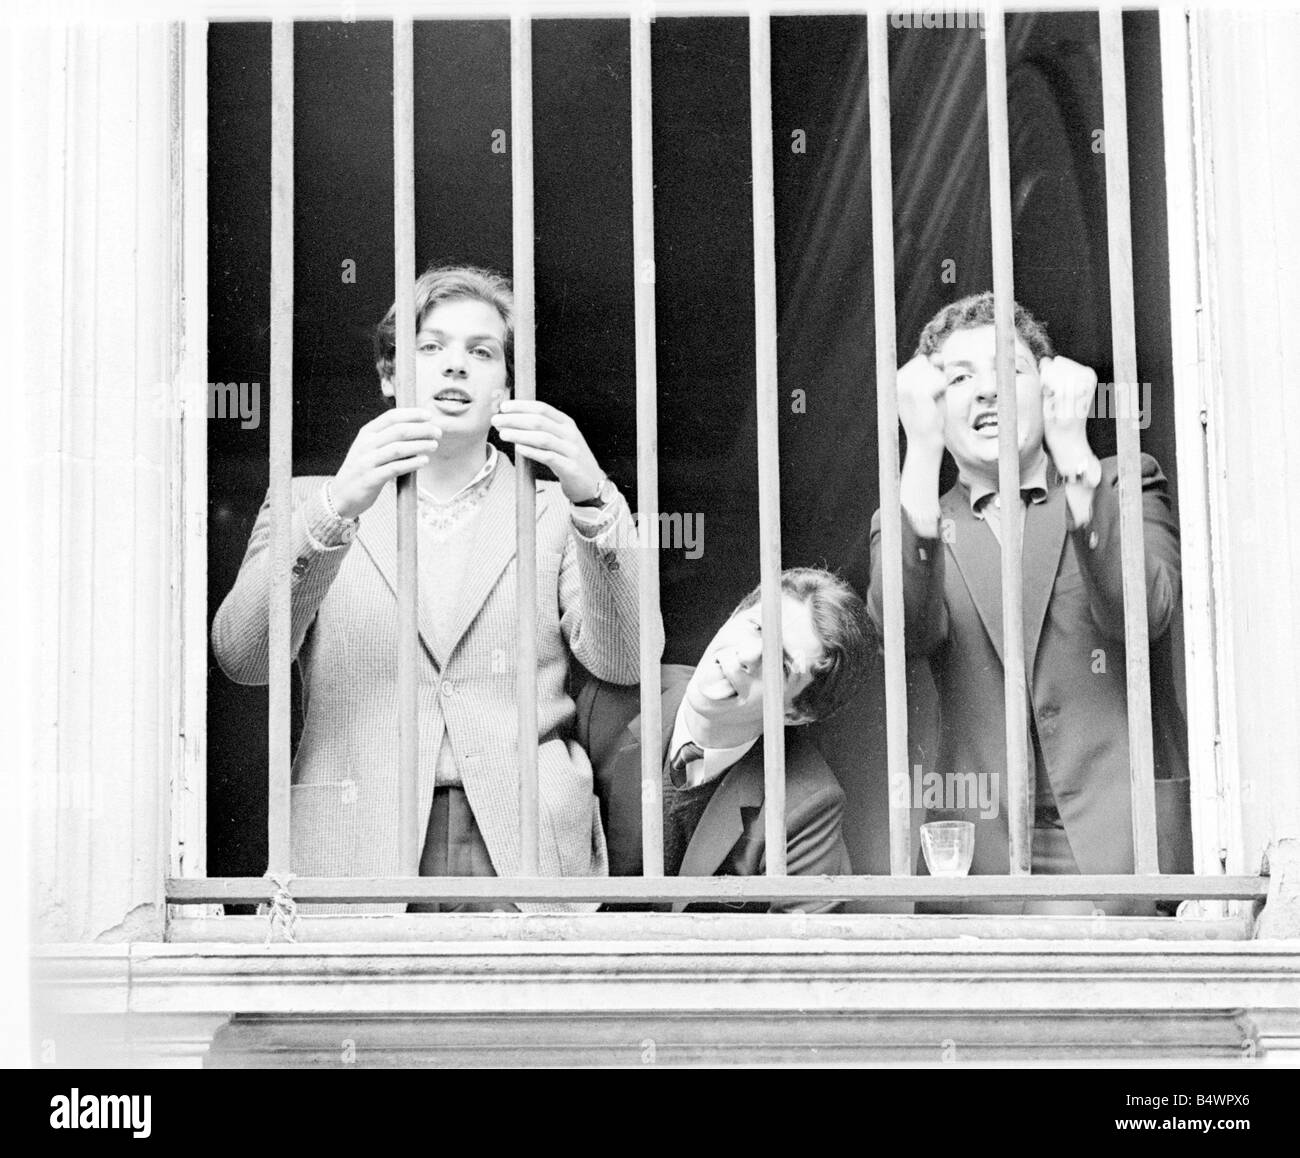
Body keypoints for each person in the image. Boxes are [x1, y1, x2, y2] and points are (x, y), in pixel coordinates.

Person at [212, 265, 663, 912]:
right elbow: (242, 657)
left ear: (505, 384)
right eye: (431, 347)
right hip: (356, 849)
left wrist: (593, 498)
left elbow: (628, 659)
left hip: (522, 851)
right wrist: (337, 508)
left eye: (481, 352)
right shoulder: (311, 502)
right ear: (389, 375)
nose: (456, 366)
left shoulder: (557, 512)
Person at [866, 291, 1191, 915]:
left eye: (1009, 370)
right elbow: (901, 636)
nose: (988, 392)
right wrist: (920, 454)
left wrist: (1075, 460)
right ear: (931, 405)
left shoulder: (1122, 480)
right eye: (960, 378)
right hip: (979, 855)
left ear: (1049, 387)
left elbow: (1145, 614)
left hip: (1117, 840)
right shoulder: (911, 517)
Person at [577, 567, 873, 913]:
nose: (748, 656)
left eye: (781, 664)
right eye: (756, 627)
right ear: (732, 616)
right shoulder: (610, 702)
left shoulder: (806, 804)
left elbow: (800, 957)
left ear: (796, 714)